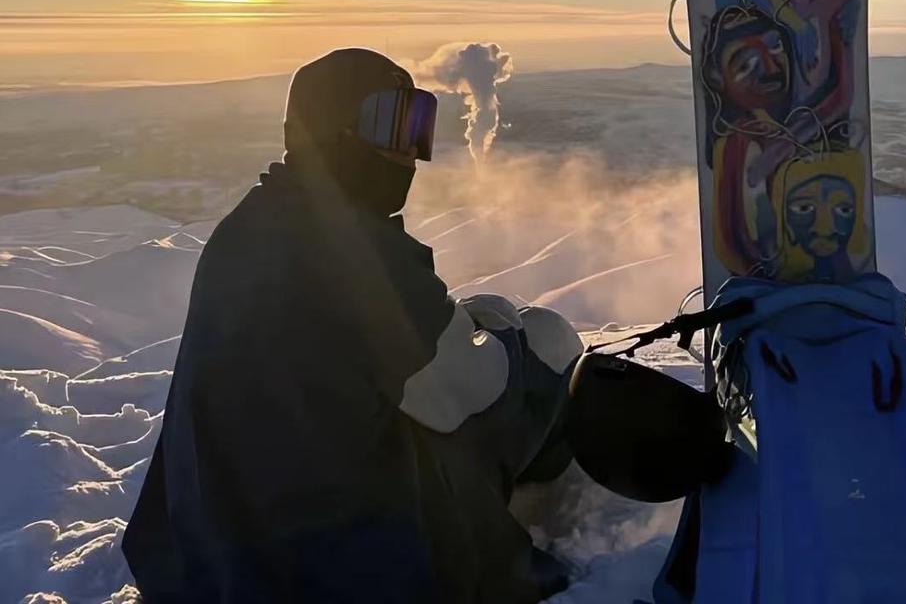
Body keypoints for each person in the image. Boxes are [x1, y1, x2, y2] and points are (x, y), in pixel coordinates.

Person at [122, 48, 583, 603]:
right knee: (541, 352)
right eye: (388, 123)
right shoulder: (361, 255)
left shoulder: (247, 227)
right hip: (320, 571)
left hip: (204, 554)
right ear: (328, 130)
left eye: (417, 126)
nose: (405, 153)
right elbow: (466, 392)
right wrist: (518, 338)